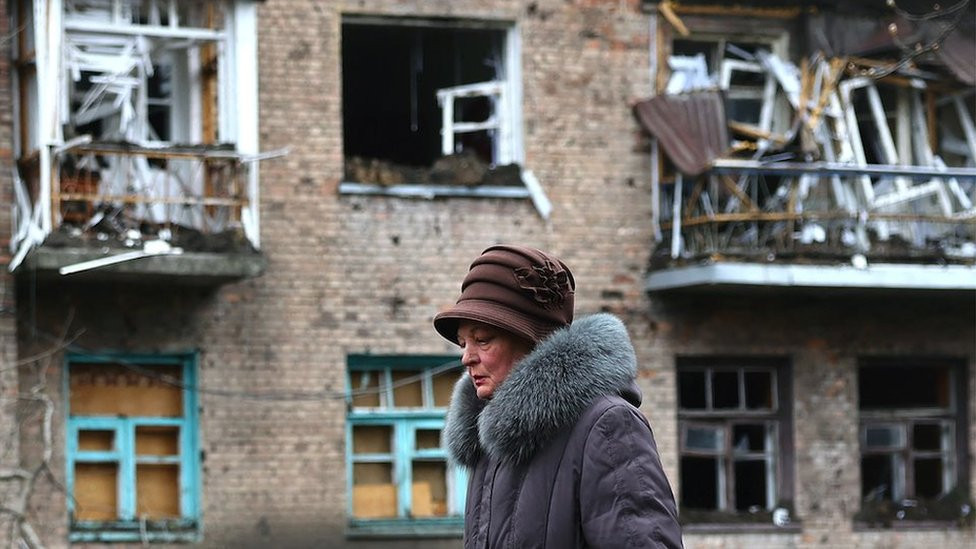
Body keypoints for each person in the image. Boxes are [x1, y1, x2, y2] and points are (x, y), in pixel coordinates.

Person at [435, 244, 684, 549]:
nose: (466, 357)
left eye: (482, 340)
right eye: (463, 343)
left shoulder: (607, 426)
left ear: (532, 340)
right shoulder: (487, 440)